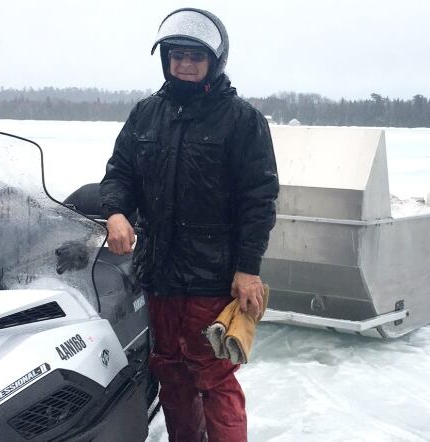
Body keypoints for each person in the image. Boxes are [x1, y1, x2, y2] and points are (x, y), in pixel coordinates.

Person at [99, 7, 279, 442]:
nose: (184, 63)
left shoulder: (242, 121)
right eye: (176, 54)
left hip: (213, 279)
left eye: (194, 56)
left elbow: (259, 200)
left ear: (214, 61)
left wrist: (248, 268)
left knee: (214, 378)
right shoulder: (145, 114)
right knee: (171, 371)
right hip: (159, 274)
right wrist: (116, 211)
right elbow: (119, 172)